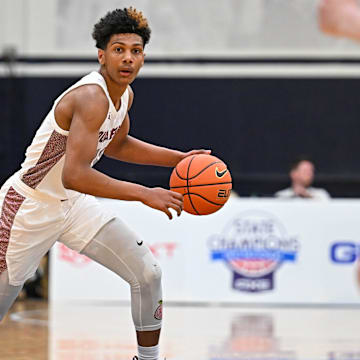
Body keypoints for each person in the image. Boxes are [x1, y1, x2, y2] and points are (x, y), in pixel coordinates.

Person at [0, 7, 210, 360]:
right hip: (30, 206)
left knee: (147, 273)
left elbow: (118, 144)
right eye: (119, 49)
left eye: (136, 50)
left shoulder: (123, 96)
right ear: (102, 54)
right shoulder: (91, 97)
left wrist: (179, 159)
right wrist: (145, 193)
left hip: (73, 205)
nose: (128, 58)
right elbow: (76, 173)